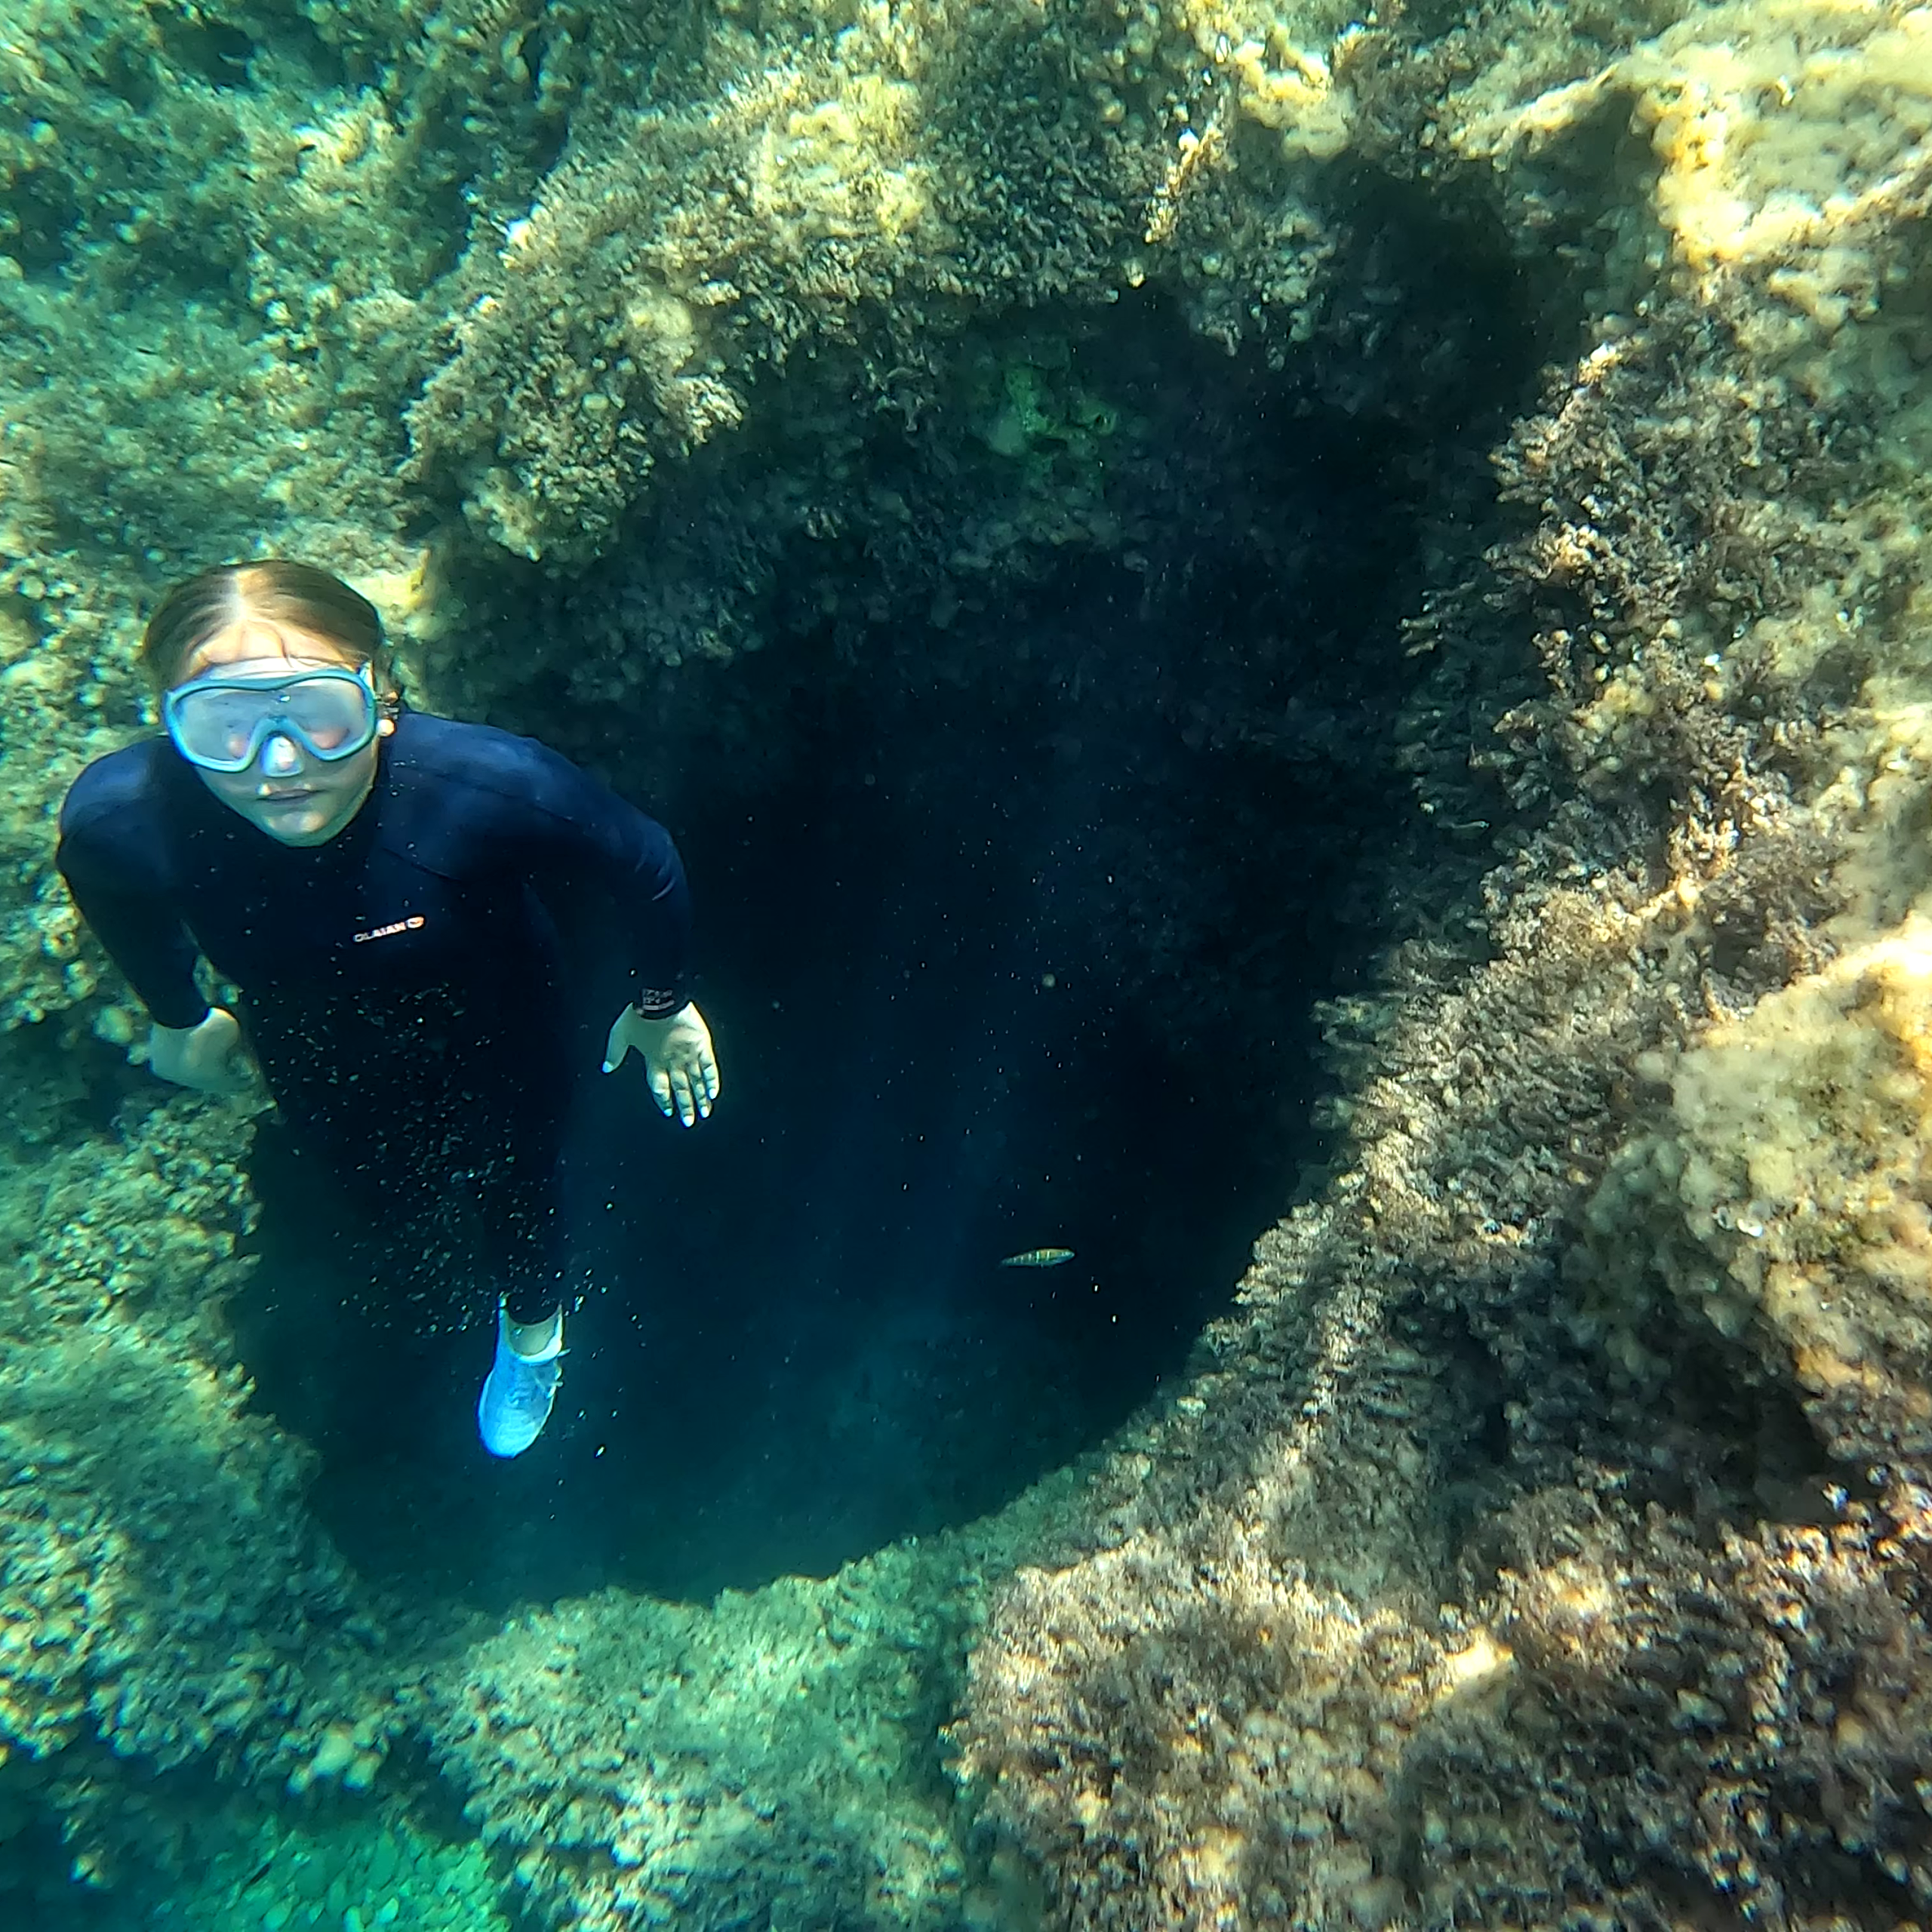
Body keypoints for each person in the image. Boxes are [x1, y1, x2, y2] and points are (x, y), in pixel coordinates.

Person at [55, 561, 719, 1458]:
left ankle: (534, 1330)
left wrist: (661, 1005)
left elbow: (644, 859)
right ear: (171, 724)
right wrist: (177, 1012)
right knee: (367, 1183)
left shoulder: (483, 784)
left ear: (384, 693)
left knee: (520, 1176)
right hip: (305, 1029)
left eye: (320, 712)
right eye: (225, 724)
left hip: (499, 1006)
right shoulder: (123, 820)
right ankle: (423, 1281)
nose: (280, 765)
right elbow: (104, 887)